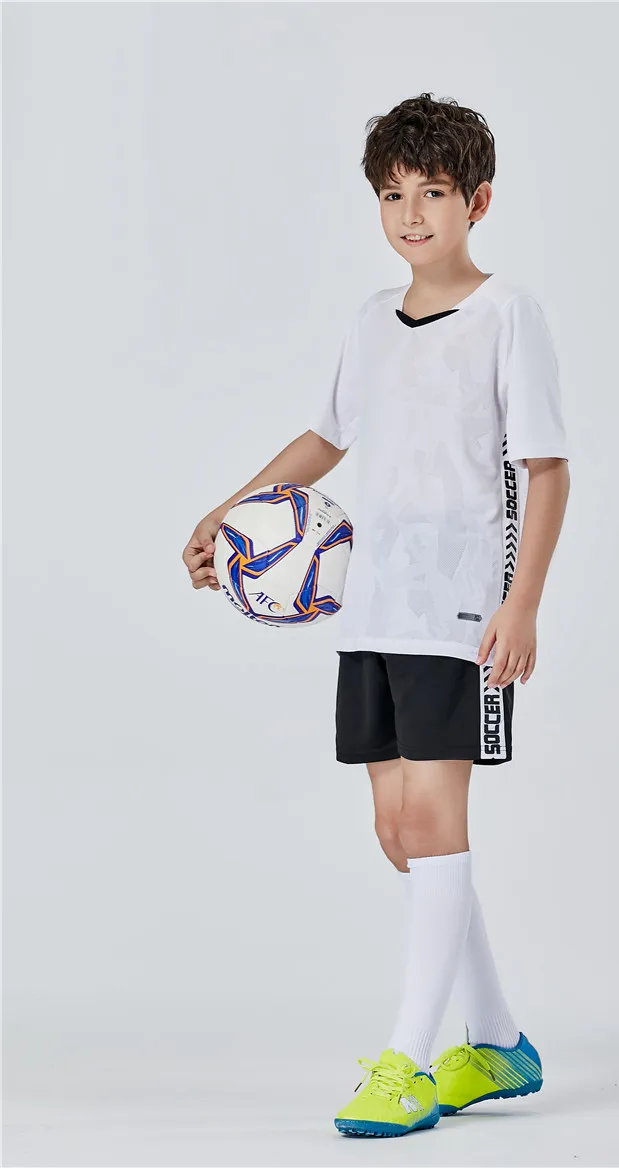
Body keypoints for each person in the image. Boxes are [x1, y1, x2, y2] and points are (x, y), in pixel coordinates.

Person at [182, 91, 570, 1139]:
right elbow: (326, 438)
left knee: (436, 824)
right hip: (372, 610)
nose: (410, 215)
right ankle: (497, 1039)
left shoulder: (507, 316)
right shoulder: (369, 321)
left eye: (431, 193)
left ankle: (407, 1061)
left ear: (476, 201)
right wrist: (229, 513)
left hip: (458, 614)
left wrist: (521, 604)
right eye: (392, 196)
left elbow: (545, 469)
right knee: (398, 833)